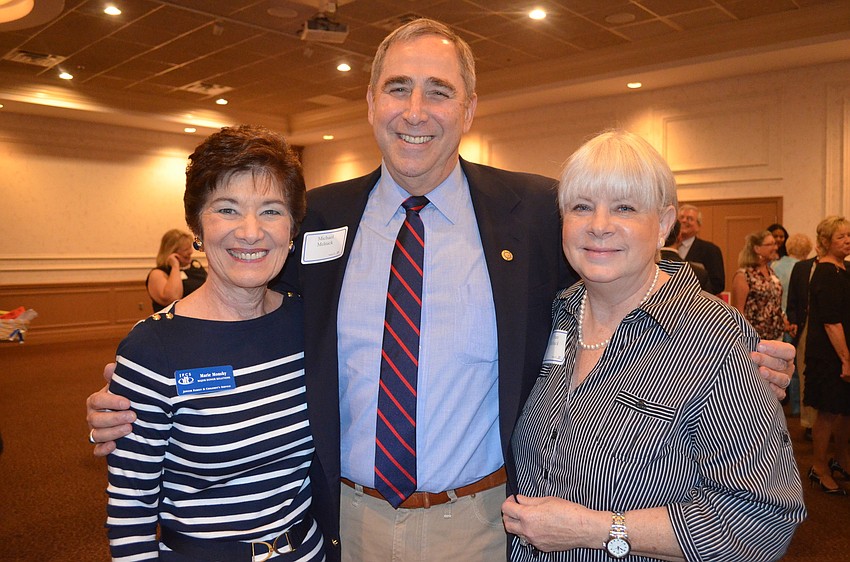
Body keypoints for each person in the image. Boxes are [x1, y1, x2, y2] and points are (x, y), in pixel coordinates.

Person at [86, 18, 796, 562]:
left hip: (482, 524)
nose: (415, 110)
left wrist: (725, 346)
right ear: (370, 102)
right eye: (397, 88)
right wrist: (144, 381)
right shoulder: (319, 218)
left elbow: (615, 254)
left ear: (469, 107)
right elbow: (244, 302)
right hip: (345, 521)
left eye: (439, 91)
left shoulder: (533, 210)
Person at [502, 130, 805, 562]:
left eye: (625, 207)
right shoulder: (554, 314)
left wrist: (597, 529)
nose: (599, 225)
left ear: (663, 223)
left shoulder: (712, 336)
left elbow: (762, 522)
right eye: (581, 206)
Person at [106, 125, 325, 560]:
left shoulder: (310, 323)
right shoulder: (155, 348)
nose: (250, 232)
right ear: (197, 227)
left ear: (292, 228)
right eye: (227, 209)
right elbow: (130, 508)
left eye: (271, 211)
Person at [804, 215, 850, 495]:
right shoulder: (825, 272)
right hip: (830, 354)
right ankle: (819, 468)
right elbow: (831, 321)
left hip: (843, 350)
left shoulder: (843, 270)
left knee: (845, 411)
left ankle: (841, 460)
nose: (847, 241)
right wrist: (845, 358)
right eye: (841, 237)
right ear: (825, 241)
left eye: (848, 236)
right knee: (828, 412)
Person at [773, 233, 813, 415]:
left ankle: (783, 404)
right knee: (796, 367)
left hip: (778, 320)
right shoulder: (806, 268)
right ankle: (798, 408)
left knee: (779, 365)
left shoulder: (775, 266)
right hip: (796, 321)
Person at [731, 230, 788, 341]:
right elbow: (738, 312)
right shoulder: (744, 275)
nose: (775, 248)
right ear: (757, 249)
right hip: (754, 339)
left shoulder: (771, 272)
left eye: (775, 244)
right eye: (770, 244)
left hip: (776, 337)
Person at [146, 228, 207, 311]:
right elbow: (172, 298)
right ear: (172, 251)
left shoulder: (195, 266)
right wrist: (175, 266)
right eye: (186, 249)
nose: (190, 252)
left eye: (190, 248)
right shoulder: (158, 273)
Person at [676, 203, 725, 294]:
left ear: (698, 226)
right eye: (681, 218)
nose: (684, 221)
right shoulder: (664, 247)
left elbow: (718, 284)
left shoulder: (711, 250)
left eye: (690, 219)